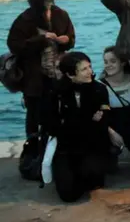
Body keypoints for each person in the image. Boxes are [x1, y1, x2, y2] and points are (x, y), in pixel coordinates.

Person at [7, 0, 75, 140]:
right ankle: (33, 151)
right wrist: (42, 40)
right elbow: (14, 44)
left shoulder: (61, 14)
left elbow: (71, 38)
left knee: (60, 115)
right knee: (34, 117)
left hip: (58, 74)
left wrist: (65, 40)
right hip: (35, 78)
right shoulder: (26, 18)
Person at [44, 52, 111, 202]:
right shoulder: (57, 93)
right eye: (83, 69)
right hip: (66, 148)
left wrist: (75, 122)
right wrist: (88, 120)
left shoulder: (99, 89)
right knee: (68, 195)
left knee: (94, 177)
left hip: (92, 145)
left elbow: (103, 120)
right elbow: (52, 125)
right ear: (70, 74)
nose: (90, 72)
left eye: (89, 67)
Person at [100, 46, 130, 166]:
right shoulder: (101, 85)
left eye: (113, 61)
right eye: (105, 62)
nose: (108, 65)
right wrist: (111, 133)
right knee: (111, 155)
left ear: (123, 62)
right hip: (113, 128)